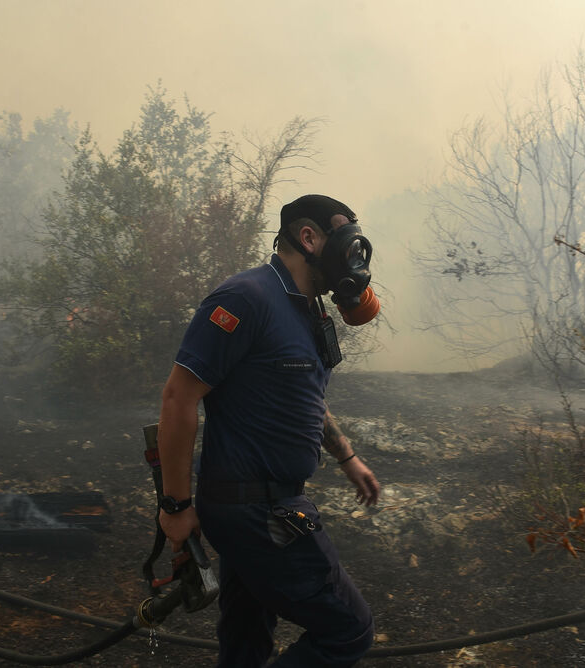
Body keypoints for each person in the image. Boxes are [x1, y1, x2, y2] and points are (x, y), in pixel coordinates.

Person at [156, 194, 382, 667]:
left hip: (262, 504)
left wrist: (347, 458)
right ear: (309, 238)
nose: (353, 262)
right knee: (348, 630)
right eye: (345, 246)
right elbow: (179, 397)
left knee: (247, 640)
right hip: (258, 511)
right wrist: (175, 506)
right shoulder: (246, 298)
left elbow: (302, 395)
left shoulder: (308, 310)